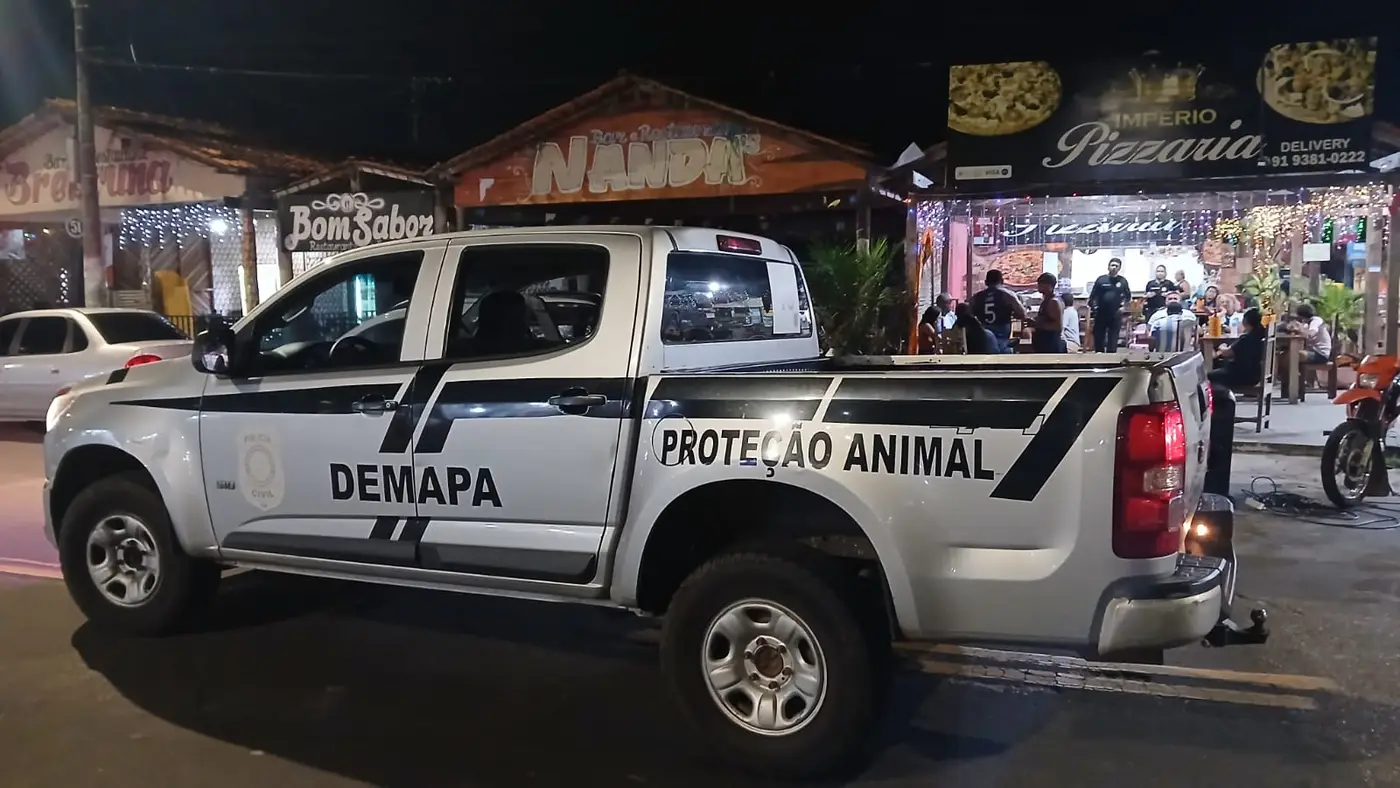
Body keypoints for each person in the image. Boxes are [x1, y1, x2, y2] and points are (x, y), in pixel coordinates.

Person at [969, 269, 1026, 353]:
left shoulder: (976, 297)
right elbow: (1023, 314)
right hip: (1002, 333)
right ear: (1002, 281)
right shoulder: (1008, 295)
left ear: (986, 282)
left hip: (984, 333)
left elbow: (969, 315)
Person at [1209, 307, 1267, 388]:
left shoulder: (1246, 338)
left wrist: (1221, 346)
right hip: (1256, 375)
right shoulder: (1263, 335)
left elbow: (1226, 353)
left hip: (1241, 375)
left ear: (1245, 321)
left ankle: (1222, 394)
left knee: (1209, 376)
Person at [1088, 257, 1132, 352]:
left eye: (1116, 266)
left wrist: (1123, 307)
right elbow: (1093, 296)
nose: (1114, 267)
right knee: (1099, 336)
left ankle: (1111, 356)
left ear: (1119, 268)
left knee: (1113, 338)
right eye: (1112, 265)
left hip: (1115, 314)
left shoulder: (1122, 281)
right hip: (1101, 313)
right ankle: (1099, 354)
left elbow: (1128, 297)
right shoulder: (1101, 280)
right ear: (1108, 267)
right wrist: (1095, 308)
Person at [1031, 273, 1066, 353]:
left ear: (1048, 285)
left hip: (1051, 343)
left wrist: (1036, 324)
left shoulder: (1054, 302)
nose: (1038, 286)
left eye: (1040, 284)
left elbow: (1057, 327)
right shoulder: (1047, 300)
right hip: (1045, 342)